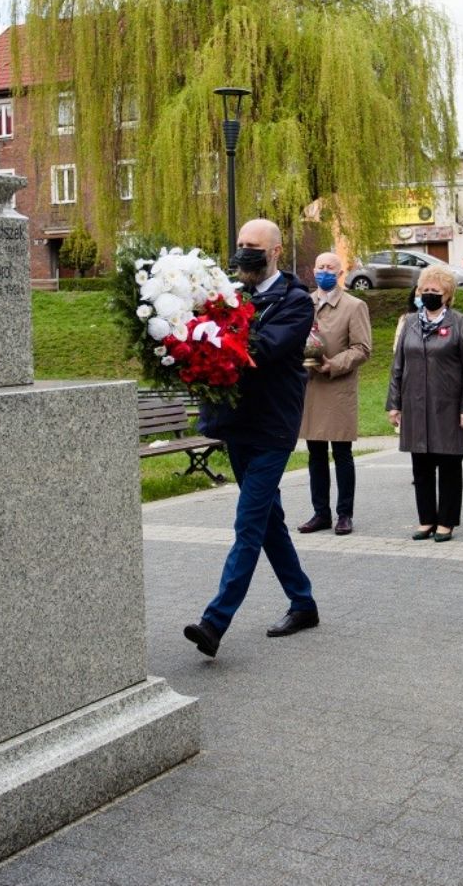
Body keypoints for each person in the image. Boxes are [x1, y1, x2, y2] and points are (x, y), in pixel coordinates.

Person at [183, 219, 319, 657]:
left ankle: (214, 621)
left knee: (248, 523)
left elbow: (257, 350)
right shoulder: (228, 295)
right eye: (240, 245)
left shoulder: (296, 302)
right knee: (267, 521)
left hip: (272, 427)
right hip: (235, 423)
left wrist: (211, 338)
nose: (244, 253)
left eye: (254, 247)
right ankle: (303, 603)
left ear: (276, 251)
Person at [386, 264, 463, 542]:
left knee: (449, 464)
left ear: (447, 294)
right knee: (421, 464)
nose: (428, 294)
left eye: (434, 290)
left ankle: (446, 521)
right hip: (415, 405)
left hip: (448, 405)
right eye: (424, 289)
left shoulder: (459, 323)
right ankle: (426, 519)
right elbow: (397, 366)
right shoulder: (410, 322)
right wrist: (394, 404)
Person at [298, 251, 373, 536]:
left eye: (330, 267)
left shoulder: (354, 306)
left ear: (340, 273)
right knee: (315, 453)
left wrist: (334, 364)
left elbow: (362, 348)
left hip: (337, 385)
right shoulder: (305, 303)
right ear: (313, 271)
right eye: (320, 267)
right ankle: (320, 513)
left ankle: (345, 514)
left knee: (341, 452)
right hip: (310, 386)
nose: (324, 272)